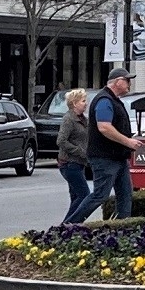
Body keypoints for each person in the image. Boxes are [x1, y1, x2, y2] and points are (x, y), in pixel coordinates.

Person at [82, 69, 137, 221]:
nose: (129, 84)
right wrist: (128, 141)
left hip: (118, 157)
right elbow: (104, 127)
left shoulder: (112, 100)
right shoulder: (104, 100)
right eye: (127, 80)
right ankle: (68, 226)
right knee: (100, 195)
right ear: (117, 81)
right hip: (105, 157)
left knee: (125, 195)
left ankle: (122, 229)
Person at [55, 88, 94, 222]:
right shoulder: (69, 119)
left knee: (76, 197)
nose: (86, 103)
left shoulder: (84, 120)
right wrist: (79, 151)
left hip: (79, 163)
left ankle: (69, 228)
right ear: (74, 103)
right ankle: (67, 225)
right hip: (69, 163)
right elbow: (61, 141)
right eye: (83, 101)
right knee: (84, 195)